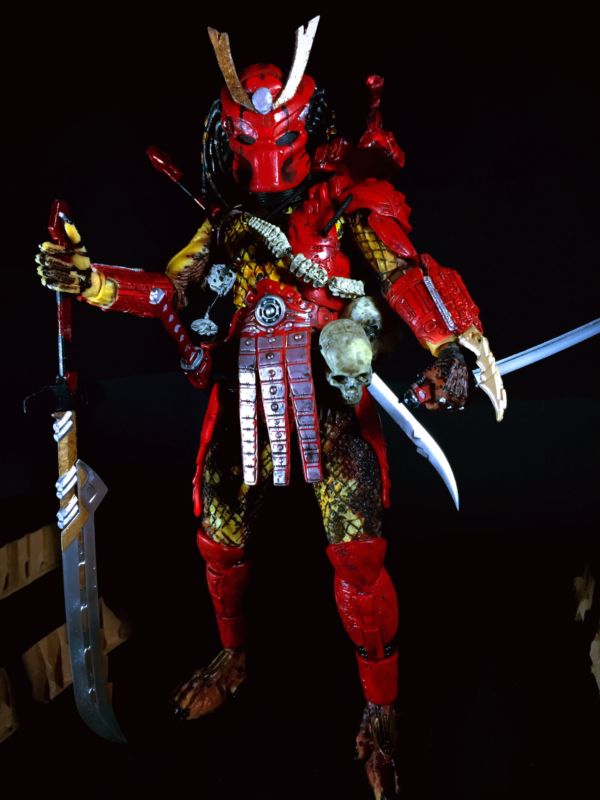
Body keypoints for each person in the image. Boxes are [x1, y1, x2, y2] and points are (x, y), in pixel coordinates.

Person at [35, 17, 504, 799]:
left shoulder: (344, 204)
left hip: (330, 404)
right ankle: (233, 654)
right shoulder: (221, 226)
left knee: (358, 558)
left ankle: (380, 709)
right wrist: (93, 282)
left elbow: (399, 269)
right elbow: (167, 292)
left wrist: (447, 346)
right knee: (218, 540)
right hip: (244, 396)